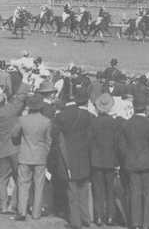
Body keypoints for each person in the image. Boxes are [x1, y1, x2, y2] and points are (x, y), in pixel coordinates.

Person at [54, 88, 94, 229]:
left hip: (69, 158)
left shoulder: (62, 116)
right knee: (84, 190)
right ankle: (86, 218)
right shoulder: (89, 116)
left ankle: (75, 222)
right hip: (85, 156)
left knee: (72, 193)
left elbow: (55, 136)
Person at [119, 94, 149, 229]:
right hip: (148, 163)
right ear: (145, 108)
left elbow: (122, 146)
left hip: (131, 163)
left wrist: (129, 157)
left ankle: (135, 223)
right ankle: (147, 223)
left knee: (135, 193)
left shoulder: (126, 124)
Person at [11, 95, 52, 221]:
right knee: (39, 185)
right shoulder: (46, 121)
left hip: (25, 155)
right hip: (40, 156)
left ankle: (22, 211)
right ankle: (36, 213)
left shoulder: (22, 120)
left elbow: (14, 134)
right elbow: (49, 140)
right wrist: (45, 153)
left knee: (23, 184)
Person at [90, 93, 120, 226]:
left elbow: (89, 141)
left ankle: (99, 217)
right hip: (110, 160)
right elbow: (117, 143)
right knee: (110, 191)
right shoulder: (114, 123)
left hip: (96, 160)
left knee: (98, 190)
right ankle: (110, 217)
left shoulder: (93, 122)